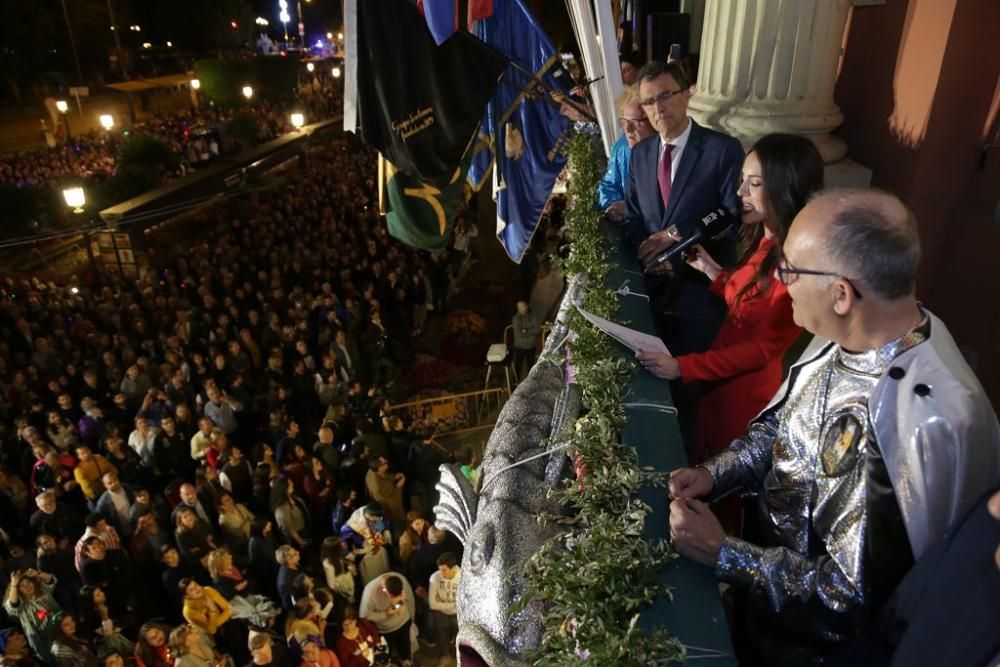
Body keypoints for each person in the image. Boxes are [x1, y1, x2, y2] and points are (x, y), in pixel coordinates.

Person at [667, 189, 1000, 665]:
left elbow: (854, 597)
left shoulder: (924, 419)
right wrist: (717, 473)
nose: (782, 281)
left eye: (791, 271)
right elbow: (784, 429)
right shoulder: (847, 336)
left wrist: (725, 554)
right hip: (764, 607)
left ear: (841, 293)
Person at [637, 134, 823, 467]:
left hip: (741, 402)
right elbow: (746, 299)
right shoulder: (765, 240)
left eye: (754, 184)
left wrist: (683, 366)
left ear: (784, 188)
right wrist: (711, 270)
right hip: (714, 391)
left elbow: (759, 349)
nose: (740, 193)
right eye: (741, 181)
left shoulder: (795, 263)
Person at [623, 60, 743, 358]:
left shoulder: (722, 150)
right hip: (652, 291)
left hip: (699, 293)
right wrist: (647, 253)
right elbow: (633, 215)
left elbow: (731, 216)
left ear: (687, 94)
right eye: (649, 101)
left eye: (665, 96)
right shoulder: (640, 153)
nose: (658, 108)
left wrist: (677, 236)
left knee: (690, 388)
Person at [597, 86, 657, 219]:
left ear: (653, 121)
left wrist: (630, 207)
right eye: (625, 122)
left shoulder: (666, 152)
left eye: (635, 122)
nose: (628, 130)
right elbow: (608, 184)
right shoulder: (621, 148)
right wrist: (614, 205)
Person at [3, 569, 62, 664]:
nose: (27, 587)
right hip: (44, 643)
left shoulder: (43, 591)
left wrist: (38, 573)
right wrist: (14, 584)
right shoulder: (21, 606)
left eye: (29, 583)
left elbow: (52, 579)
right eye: (22, 586)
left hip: (61, 632)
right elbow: (12, 604)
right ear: (18, 590)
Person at [358, 573, 415, 667]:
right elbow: (364, 616)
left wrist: (412, 618)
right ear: (384, 590)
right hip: (386, 631)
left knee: (405, 648)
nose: (395, 601)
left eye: (399, 596)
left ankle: (406, 662)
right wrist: (385, 614)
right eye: (392, 598)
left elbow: (410, 599)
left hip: (404, 622)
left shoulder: (401, 579)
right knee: (387, 654)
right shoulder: (370, 593)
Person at [427, 552, 460, 655]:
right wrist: (453, 604)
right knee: (442, 635)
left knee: (459, 635)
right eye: (440, 569)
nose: (441, 573)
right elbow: (432, 604)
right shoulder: (435, 578)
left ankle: (458, 655)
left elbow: (466, 601)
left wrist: (440, 602)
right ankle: (445, 655)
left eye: (444, 570)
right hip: (441, 612)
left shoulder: (463, 577)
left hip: (458, 613)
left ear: (453, 568)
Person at [510, 301, 540, 379]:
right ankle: (515, 384)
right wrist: (530, 330)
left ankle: (531, 384)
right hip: (519, 347)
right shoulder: (516, 318)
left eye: (524, 305)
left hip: (531, 346)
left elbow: (537, 329)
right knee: (517, 367)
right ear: (518, 308)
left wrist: (526, 330)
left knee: (531, 367)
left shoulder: (532, 316)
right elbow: (519, 333)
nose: (524, 307)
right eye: (522, 306)